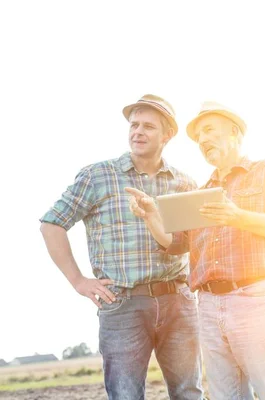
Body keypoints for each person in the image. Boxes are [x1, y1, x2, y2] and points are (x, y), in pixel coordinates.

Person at [126, 101, 265, 400]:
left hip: (255, 300)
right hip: (208, 306)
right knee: (226, 396)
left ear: (234, 133)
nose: (203, 141)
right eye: (198, 139)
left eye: (209, 131)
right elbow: (176, 245)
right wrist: (151, 216)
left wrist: (238, 217)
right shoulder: (198, 192)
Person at [39, 94, 204, 400]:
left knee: (189, 393)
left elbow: (191, 244)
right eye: (134, 125)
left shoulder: (184, 183)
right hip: (122, 306)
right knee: (125, 395)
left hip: (178, 302)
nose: (138, 132)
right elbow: (52, 223)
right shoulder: (97, 176)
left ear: (167, 135)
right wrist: (78, 281)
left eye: (148, 127)